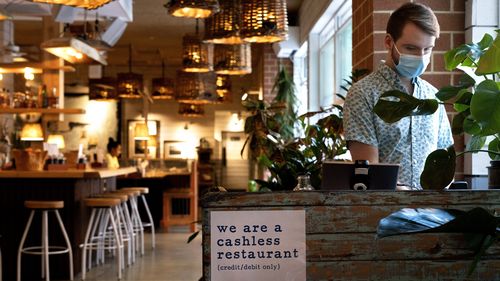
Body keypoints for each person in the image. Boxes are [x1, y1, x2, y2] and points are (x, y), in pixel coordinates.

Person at [343, 3, 453, 189]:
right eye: (411, 48)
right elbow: (369, 172)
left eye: (427, 49)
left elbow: (446, 164)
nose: (421, 56)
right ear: (388, 42)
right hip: (387, 212)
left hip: (432, 212)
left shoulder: (433, 96)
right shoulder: (363, 94)